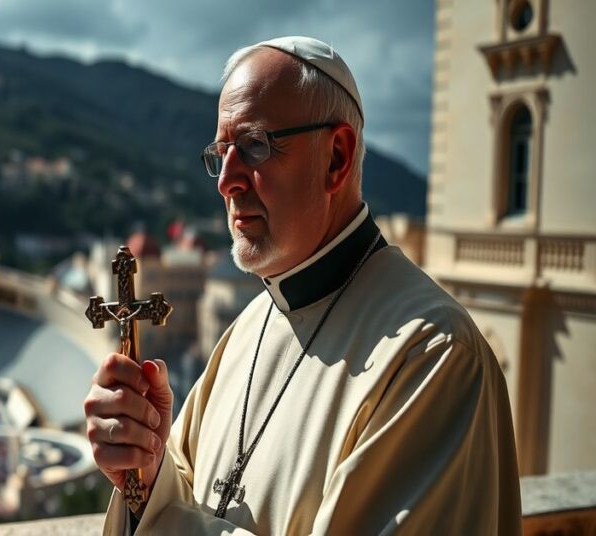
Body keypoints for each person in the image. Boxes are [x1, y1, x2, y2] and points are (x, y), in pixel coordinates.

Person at [83, 36, 521, 535]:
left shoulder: (433, 354)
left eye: (254, 146)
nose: (227, 180)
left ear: (336, 157)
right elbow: (184, 488)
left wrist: (163, 524)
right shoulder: (249, 325)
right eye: (220, 153)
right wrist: (146, 466)